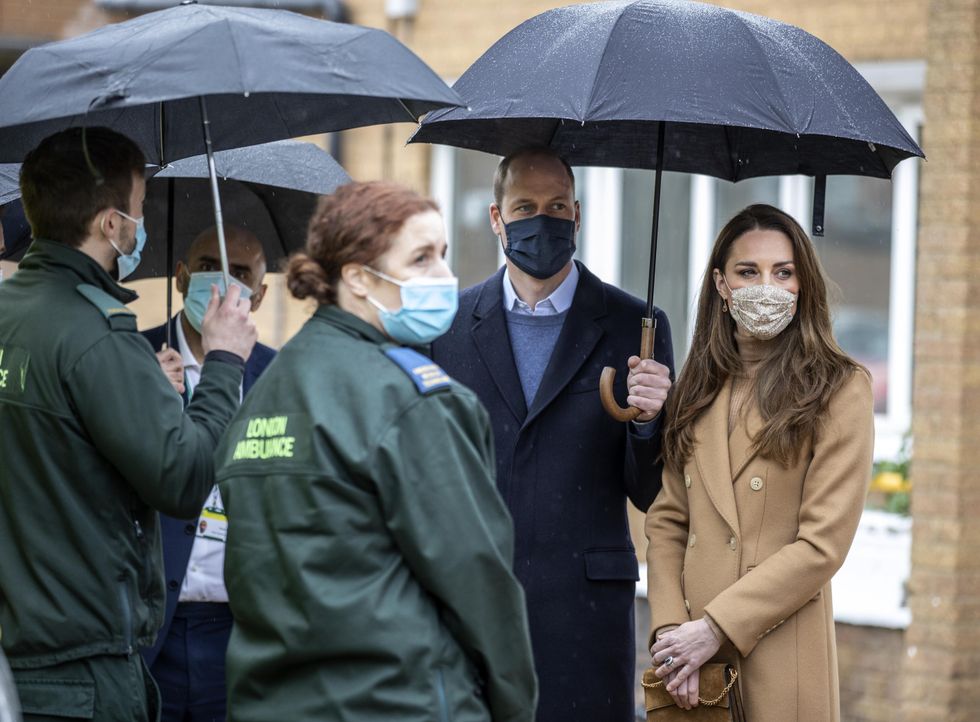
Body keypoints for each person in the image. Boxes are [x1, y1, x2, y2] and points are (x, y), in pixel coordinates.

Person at [213, 181, 538, 722]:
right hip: (396, 701)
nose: (444, 276)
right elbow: (478, 581)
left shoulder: (265, 391)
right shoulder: (410, 400)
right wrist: (514, 707)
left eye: (443, 255)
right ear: (359, 279)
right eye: (421, 259)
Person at [0, 127, 256, 722]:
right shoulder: (96, 333)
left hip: (20, 649)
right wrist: (221, 362)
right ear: (112, 225)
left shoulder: (13, 310)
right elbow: (184, 480)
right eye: (139, 209)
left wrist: (143, 391)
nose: (141, 223)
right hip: (80, 669)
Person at [430, 146, 675, 722]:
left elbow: (650, 490)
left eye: (558, 205)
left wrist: (648, 422)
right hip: (473, 610)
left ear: (578, 214)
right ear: (497, 218)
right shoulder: (446, 328)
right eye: (525, 206)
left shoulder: (635, 326)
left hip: (586, 616)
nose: (544, 220)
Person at [645, 204, 874, 721]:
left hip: (781, 655)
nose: (765, 285)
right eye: (748, 271)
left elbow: (822, 545)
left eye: (783, 272)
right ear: (722, 286)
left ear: (802, 286)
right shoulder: (696, 389)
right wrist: (668, 636)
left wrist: (714, 629)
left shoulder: (839, 389)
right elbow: (666, 524)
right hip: (688, 672)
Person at [140, 225, 275, 722]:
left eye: (240, 274)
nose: (223, 283)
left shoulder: (279, 377)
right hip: (151, 625)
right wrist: (145, 394)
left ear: (259, 297)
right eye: (207, 267)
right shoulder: (133, 359)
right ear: (180, 277)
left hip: (239, 629)